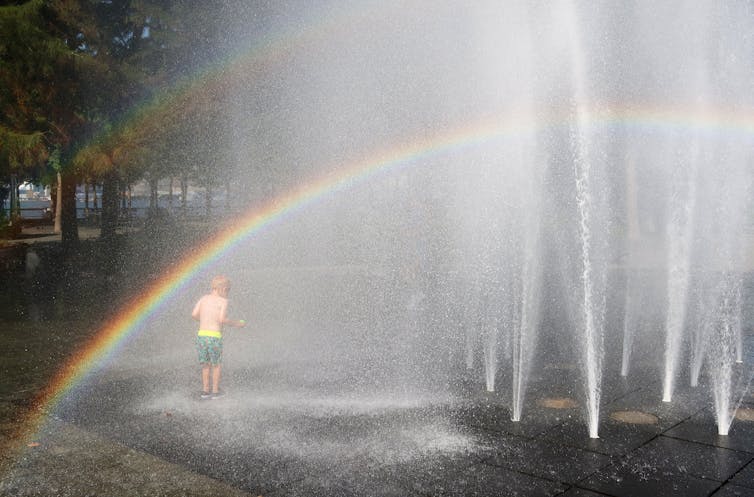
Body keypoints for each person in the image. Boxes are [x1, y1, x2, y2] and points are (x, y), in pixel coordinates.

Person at [191, 275, 246, 399]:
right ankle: (215, 392)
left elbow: (194, 314)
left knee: (205, 364)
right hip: (214, 337)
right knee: (216, 365)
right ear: (223, 289)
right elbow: (221, 320)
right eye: (228, 291)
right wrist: (237, 323)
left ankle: (205, 391)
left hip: (201, 336)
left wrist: (204, 320)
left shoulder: (203, 298)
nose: (227, 294)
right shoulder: (223, 301)